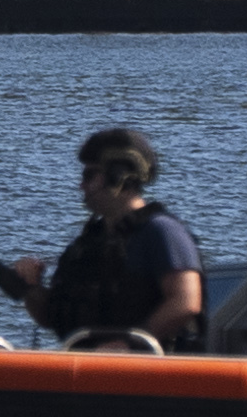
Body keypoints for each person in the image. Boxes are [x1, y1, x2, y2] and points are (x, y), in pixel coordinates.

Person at [41, 126, 206, 350]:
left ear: (118, 176)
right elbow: (53, 318)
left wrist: (127, 344)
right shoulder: (88, 242)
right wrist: (30, 287)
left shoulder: (162, 232)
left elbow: (186, 301)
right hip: (87, 368)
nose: (81, 186)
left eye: (89, 175)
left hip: (147, 373)